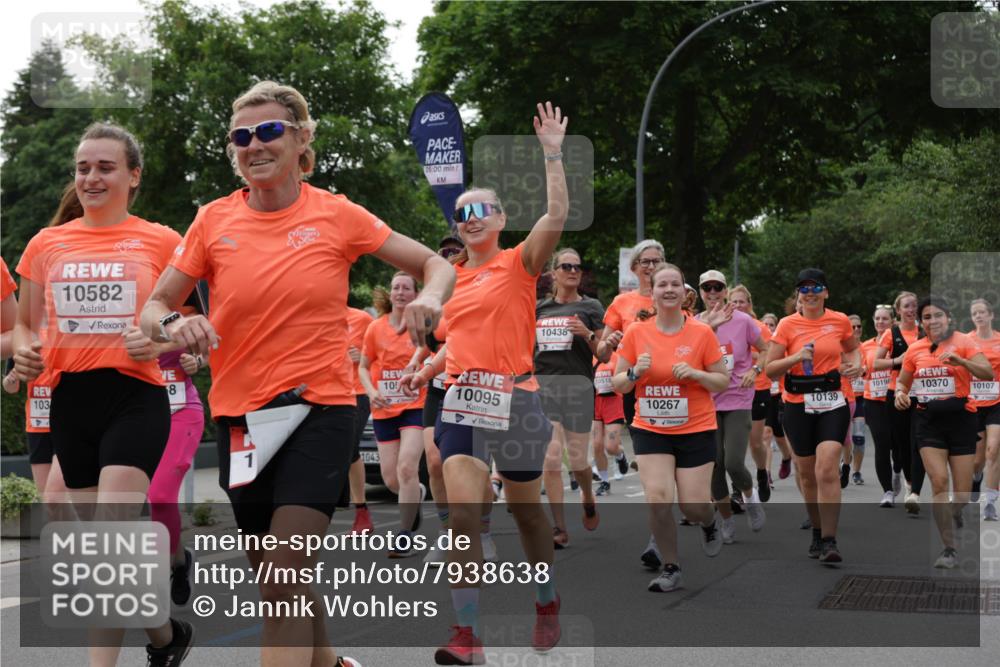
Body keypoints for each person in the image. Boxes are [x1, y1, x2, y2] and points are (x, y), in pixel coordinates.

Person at [140, 81, 455, 667]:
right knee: (276, 581)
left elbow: (435, 262)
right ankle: (330, 663)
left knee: (284, 574)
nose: (253, 145)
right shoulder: (213, 221)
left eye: (267, 131)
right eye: (241, 136)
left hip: (322, 409)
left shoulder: (336, 214)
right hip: (243, 420)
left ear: (302, 138)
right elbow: (154, 306)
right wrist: (171, 324)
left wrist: (431, 297)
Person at [12, 122, 192, 666]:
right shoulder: (47, 244)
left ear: (133, 176)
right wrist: (23, 351)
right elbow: (25, 324)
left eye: (105, 166)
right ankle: (163, 633)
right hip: (71, 403)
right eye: (83, 167)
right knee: (102, 551)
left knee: (112, 535)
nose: (91, 177)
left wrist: (159, 334)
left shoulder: (163, 240)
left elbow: (193, 322)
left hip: (135, 398)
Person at [400, 101, 569, 665]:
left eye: (483, 211)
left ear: (499, 219)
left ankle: (546, 602)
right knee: (465, 516)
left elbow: (557, 216)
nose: (471, 219)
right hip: (461, 404)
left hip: (516, 400)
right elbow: (451, 341)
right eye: (464, 213)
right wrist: (423, 363)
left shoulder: (520, 264)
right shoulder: (447, 284)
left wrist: (552, 154)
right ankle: (465, 634)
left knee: (526, 513)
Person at [613, 262, 729, 591]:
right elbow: (619, 383)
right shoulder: (637, 333)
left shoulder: (701, 332)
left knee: (692, 506)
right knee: (658, 499)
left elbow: (722, 381)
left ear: (683, 292)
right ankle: (671, 566)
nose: (668, 290)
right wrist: (635, 373)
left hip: (695, 427)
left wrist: (696, 375)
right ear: (652, 293)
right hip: (651, 428)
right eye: (661, 284)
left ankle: (709, 520)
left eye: (674, 284)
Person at [765, 268, 861, 564]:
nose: (809, 293)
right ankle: (817, 531)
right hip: (796, 404)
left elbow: (853, 350)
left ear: (825, 292)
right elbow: (770, 369)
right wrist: (795, 358)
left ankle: (831, 541)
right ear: (798, 295)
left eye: (816, 287)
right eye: (803, 288)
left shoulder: (840, 320)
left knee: (827, 467)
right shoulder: (786, 325)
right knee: (806, 474)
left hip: (833, 400)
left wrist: (856, 366)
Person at [893, 298, 992, 567]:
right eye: (927, 317)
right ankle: (949, 549)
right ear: (921, 321)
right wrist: (900, 395)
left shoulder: (964, 342)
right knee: (938, 482)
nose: (932, 321)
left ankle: (955, 512)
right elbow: (903, 383)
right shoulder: (916, 349)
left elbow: (987, 373)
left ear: (948, 318)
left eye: (938, 316)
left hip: (961, 420)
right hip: (928, 420)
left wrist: (961, 361)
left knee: (960, 494)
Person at [536, 248, 605, 547]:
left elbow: (605, 353)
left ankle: (587, 495)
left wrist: (587, 333)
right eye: (566, 266)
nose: (573, 271)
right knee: (551, 459)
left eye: (578, 266)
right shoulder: (539, 308)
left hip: (577, 388)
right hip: (544, 387)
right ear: (554, 272)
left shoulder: (591, 306)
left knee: (577, 460)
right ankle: (559, 527)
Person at [359, 272, 429, 556]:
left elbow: (434, 354)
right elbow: (363, 367)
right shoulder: (375, 328)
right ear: (390, 293)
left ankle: (405, 535)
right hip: (384, 407)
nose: (400, 292)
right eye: (396, 287)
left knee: (407, 468)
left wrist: (418, 369)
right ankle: (417, 494)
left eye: (406, 287)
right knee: (391, 480)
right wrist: (370, 392)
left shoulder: (423, 325)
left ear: (415, 293)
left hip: (415, 406)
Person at [695, 273, 767, 544]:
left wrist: (755, 368)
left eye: (718, 287)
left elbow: (766, 347)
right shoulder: (694, 323)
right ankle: (726, 520)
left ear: (725, 290)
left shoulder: (743, 320)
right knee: (715, 464)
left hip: (737, 397)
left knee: (734, 462)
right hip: (706, 402)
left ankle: (751, 498)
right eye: (707, 287)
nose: (713, 291)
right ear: (701, 292)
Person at [149, 339, 206, 607]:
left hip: (181, 412)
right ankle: (180, 561)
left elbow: (211, 346)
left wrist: (197, 360)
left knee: (160, 496)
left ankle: (157, 579)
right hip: (134, 414)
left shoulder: (187, 300)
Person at [596, 240, 666, 429]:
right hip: (633, 381)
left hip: (668, 379)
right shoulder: (621, 302)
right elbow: (601, 353)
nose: (651, 266)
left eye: (657, 261)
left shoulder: (673, 298)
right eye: (645, 262)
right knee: (642, 440)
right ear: (634, 267)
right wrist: (609, 343)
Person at [873, 291, 925, 514]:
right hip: (898, 394)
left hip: (923, 394)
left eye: (914, 305)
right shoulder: (890, 334)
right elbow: (876, 363)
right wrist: (898, 360)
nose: (911, 309)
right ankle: (907, 480)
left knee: (919, 442)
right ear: (899, 310)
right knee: (902, 443)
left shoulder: (926, 332)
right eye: (907, 306)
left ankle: (914, 491)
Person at [969, 298, 1000, 521]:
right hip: (973, 404)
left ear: (991, 315)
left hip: (997, 402)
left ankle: (990, 502)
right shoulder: (966, 341)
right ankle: (976, 478)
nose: (979, 316)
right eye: (975, 313)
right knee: (978, 458)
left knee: (993, 450)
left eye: (982, 312)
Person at [862, 305, 896, 506]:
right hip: (873, 401)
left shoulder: (898, 343)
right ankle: (888, 491)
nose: (880, 322)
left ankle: (899, 471)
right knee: (882, 445)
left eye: (884, 319)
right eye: (877, 319)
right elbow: (861, 368)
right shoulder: (866, 346)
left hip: (895, 399)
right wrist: (861, 369)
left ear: (892, 322)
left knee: (898, 446)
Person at [346, 304, 375, 534]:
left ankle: (361, 510)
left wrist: (362, 355)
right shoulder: (314, 319)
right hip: (324, 392)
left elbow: (379, 353)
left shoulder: (362, 318)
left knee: (349, 449)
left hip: (356, 393)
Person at [760, 312, 793, 481]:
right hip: (763, 393)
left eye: (771, 324)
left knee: (780, 436)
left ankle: (787, 457)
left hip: (779, 395)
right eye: (765, 324)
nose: (768, 327)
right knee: (766, 433)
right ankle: (767, 474)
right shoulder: (757, 345)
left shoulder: (781, 345)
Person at [591, 350, 628, 495]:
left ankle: (620, 456)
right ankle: (605, 482)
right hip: (596, 404)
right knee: (597, 445)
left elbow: (625, 380)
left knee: (611, 446)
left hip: (613, 403)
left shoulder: (619, 356)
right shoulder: (591, 357)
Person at [847, 315, 867, 485]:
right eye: (852, 327)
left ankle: (857, 471)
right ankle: (844, 462)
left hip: (861, 399)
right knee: (842, 438)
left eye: (858, 326)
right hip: (844, 398)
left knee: (859, 437)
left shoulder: (867, 347)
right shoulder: (840, 348)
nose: (856, 329)